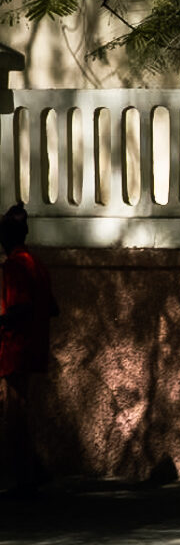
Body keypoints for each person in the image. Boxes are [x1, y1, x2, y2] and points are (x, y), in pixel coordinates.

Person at [0, 203, 58, 496]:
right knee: (19, 412)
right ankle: (33, 471)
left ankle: (25, 478)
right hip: (35, 344)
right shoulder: (37, 264)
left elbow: (19, 307)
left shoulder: (13, 266)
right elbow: (51, 307)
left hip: (16, 347)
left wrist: (2, 320)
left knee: (15, 414)